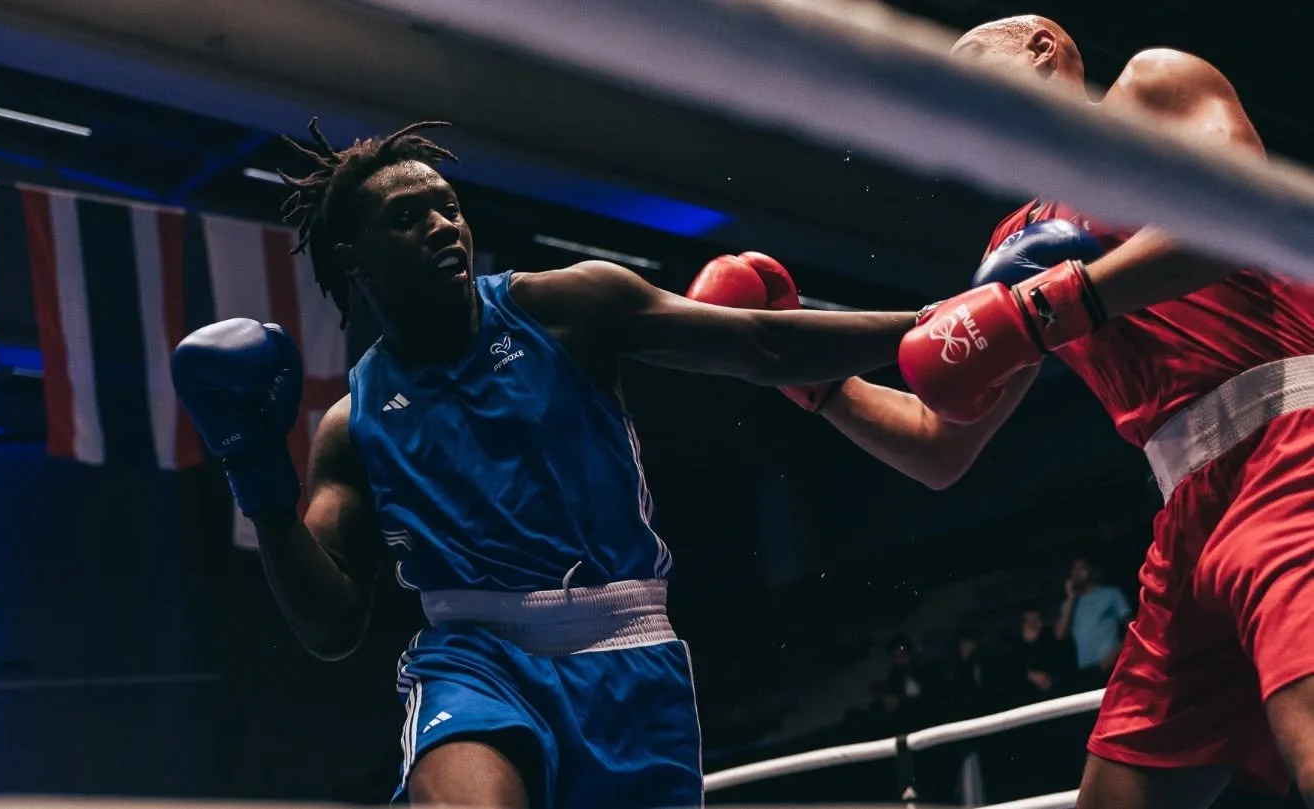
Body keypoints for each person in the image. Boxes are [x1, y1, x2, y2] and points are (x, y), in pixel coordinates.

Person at [170, 119, 915, 807]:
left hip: (628, 654)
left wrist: (933, 326)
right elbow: (330, 625)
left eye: (448, 207)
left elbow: (764, 343)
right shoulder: (353, 425)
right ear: (351, 258)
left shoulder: (568, 308)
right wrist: (258, 473)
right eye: (406, 217)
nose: (441, 226)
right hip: (474, 658)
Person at [692, 16, 1314, 808]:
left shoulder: (1154, 89)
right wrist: (816, 388)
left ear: (1044, 49)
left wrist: (1052, 307)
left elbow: (1242, 212)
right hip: (1189, 519)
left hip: (1293, 449)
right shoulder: (1018, 245)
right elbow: (941, 446)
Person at [1054, 554, 1131, 686]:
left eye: (1082, 568)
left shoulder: (1111, 594)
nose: (1077, 574)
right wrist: (1071, 598)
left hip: (1110, 665)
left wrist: (1115, 654)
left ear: (1092, 571)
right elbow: (1059, 635)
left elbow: (1132, 628)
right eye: (1074, 569)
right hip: (1084, 671)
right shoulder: (1069, 604)